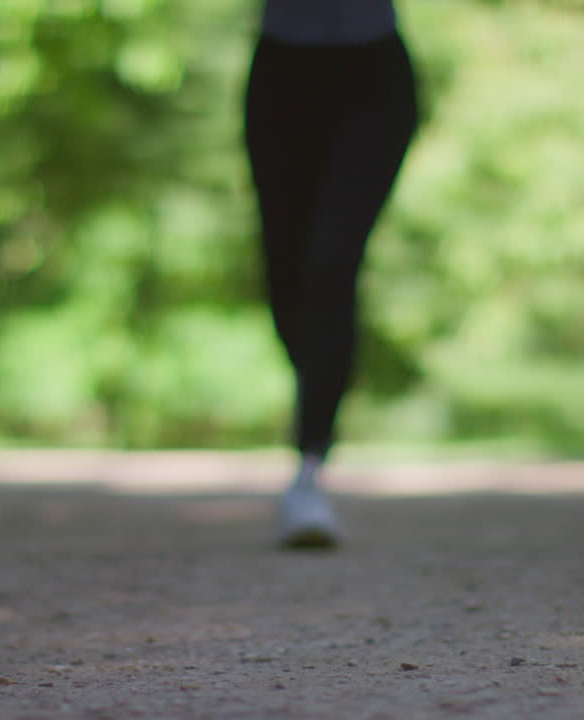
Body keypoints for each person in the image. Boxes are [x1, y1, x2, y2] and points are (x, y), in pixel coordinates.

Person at [245, 0, 419, 549]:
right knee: (287, 274)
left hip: (375, 74)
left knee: (332, 260)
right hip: (281, 72)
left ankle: (309, 465)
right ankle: (322, 385)